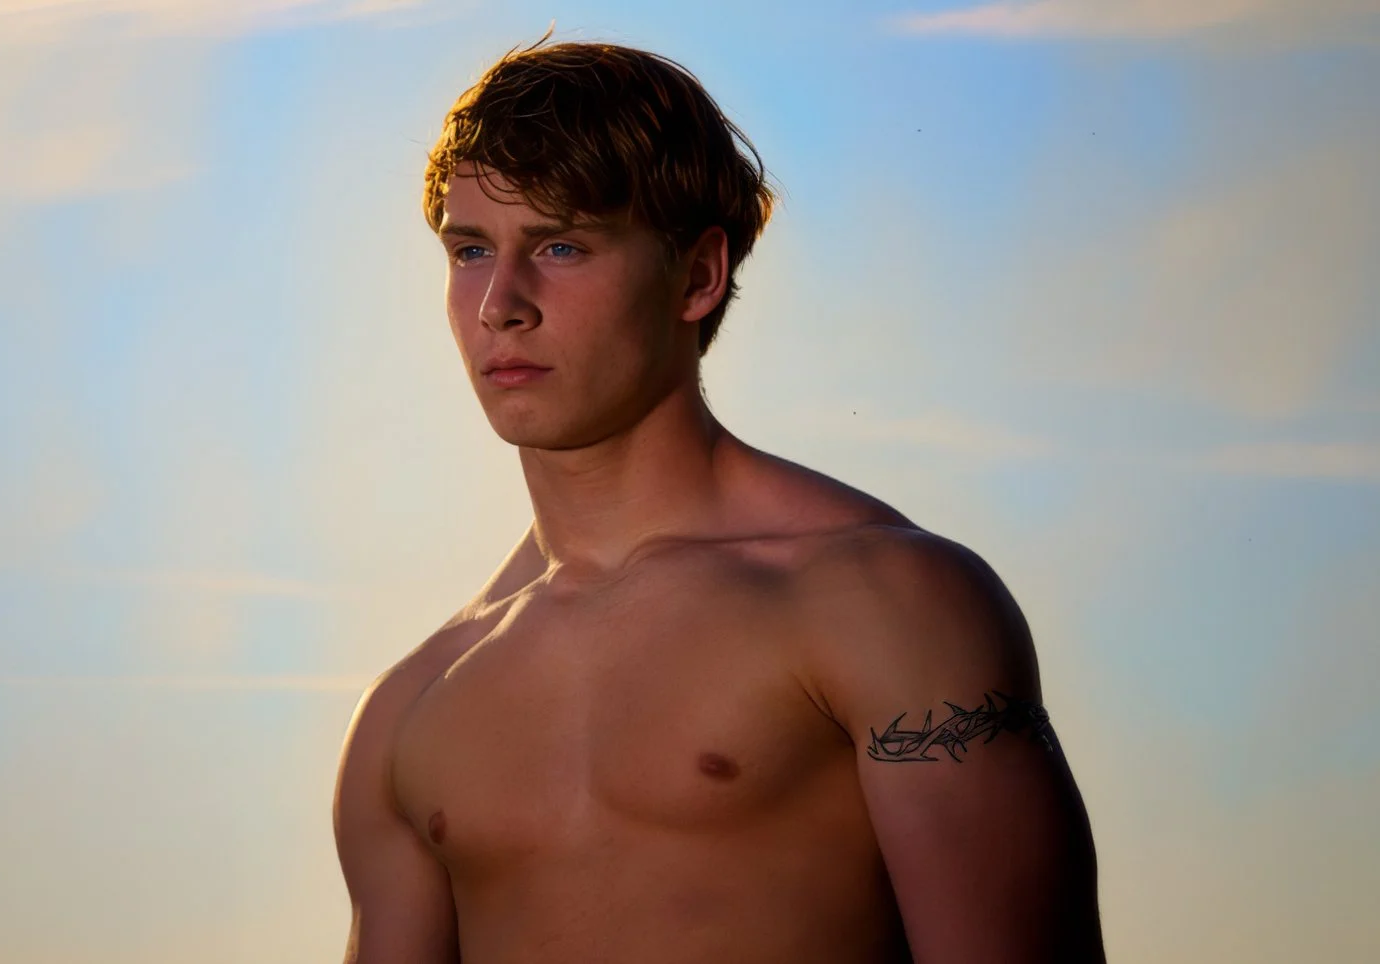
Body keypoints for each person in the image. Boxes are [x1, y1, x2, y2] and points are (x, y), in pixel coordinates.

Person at [333, 30, 1104, 964]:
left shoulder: (884, 601)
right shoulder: (409, 713)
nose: (502, 302)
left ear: (698, 274)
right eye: (469, 251)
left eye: (562, 245)